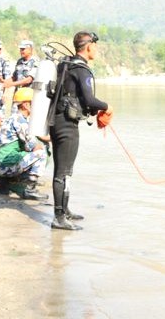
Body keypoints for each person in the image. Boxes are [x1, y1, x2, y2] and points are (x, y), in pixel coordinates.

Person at [48, 31, 111, 231]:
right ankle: (59, 217)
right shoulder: (81, 69)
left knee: (62, 169)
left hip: (56, 121)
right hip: (67, 125)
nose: (96, 49)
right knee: (64, 172)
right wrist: (107, 106)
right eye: (95, 46)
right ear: (89, 46)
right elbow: (90, 100)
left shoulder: (65, 65)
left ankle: (64, 210)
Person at [0, 88, 48, 200]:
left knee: (27, 152)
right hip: (4, 165)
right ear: (26, 105)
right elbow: (34, 147)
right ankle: (30, 188)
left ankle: (5, 181)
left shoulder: (13, 118)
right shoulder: (21, 121)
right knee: (42, 152)